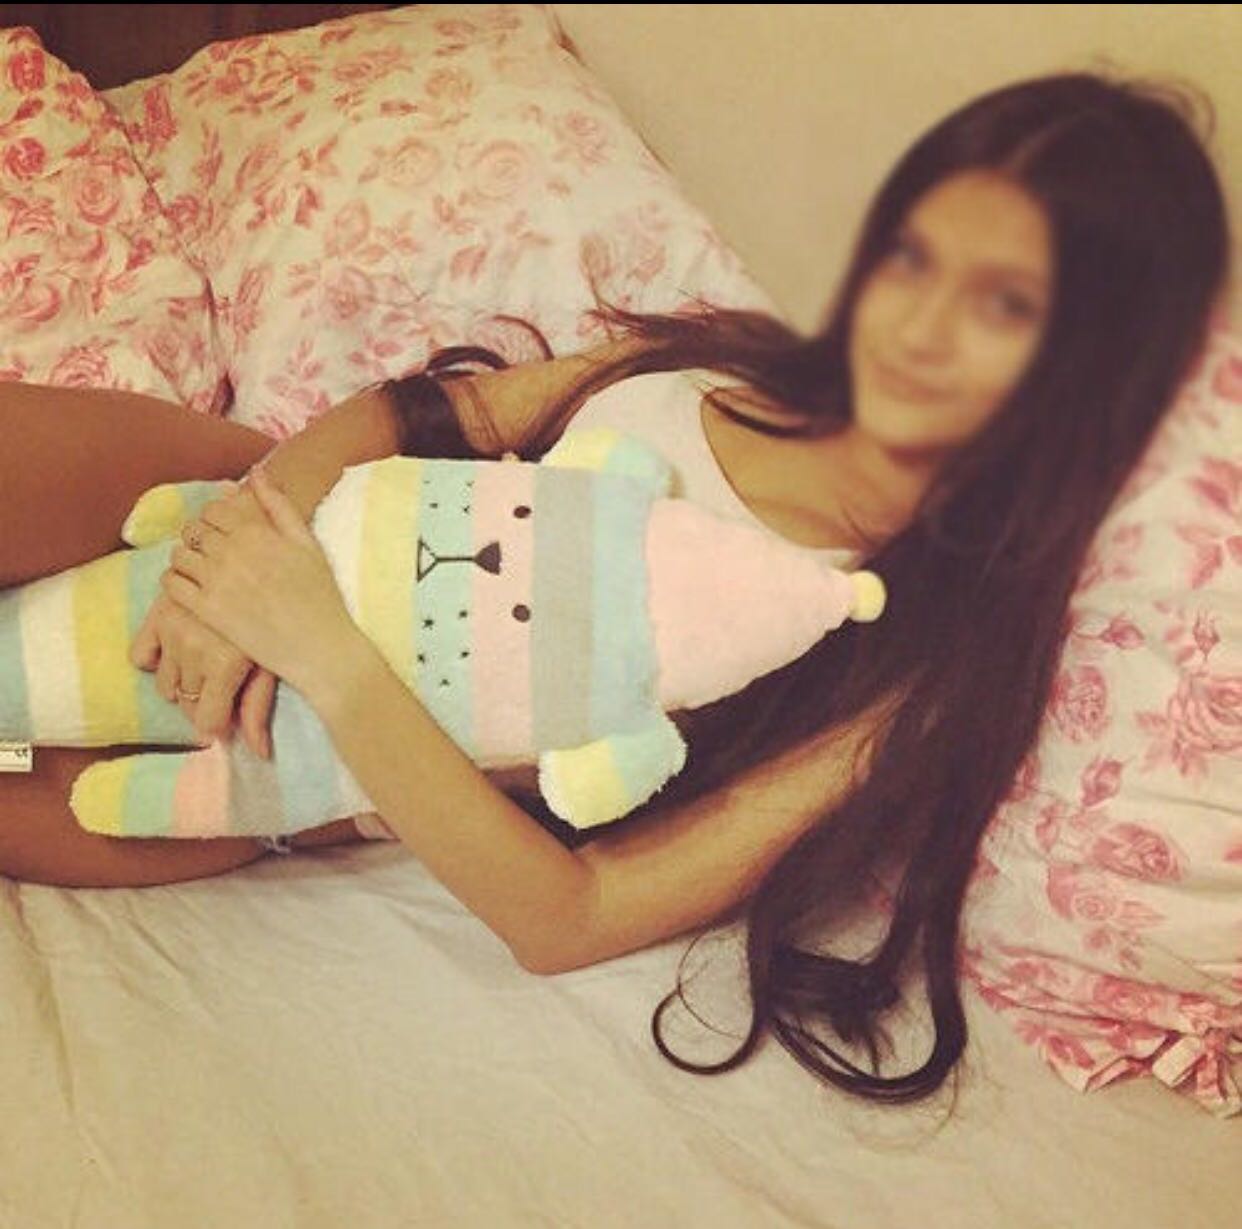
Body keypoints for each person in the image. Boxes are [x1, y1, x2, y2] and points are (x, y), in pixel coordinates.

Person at [0, 70, 1229, 1107]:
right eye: (916, 256)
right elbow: (422, 415)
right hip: (231, 504)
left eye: (1004, 303)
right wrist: (236, 548)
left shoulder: (902, 673)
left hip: (282, 746)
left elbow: (570, 916)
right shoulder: (721, 360)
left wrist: (318, 646)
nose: (920, 323)